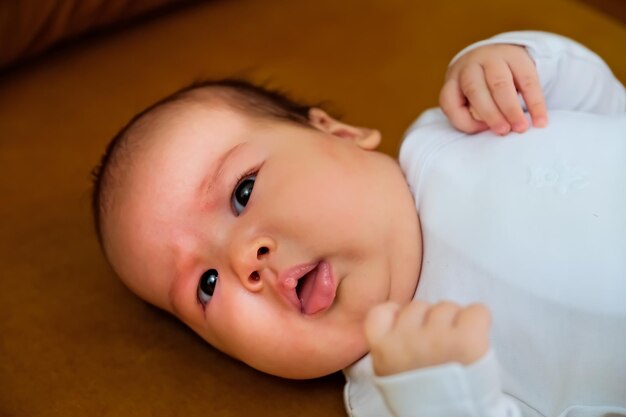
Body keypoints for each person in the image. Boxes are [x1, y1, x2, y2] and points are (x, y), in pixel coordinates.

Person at [91, 30, 626, 417]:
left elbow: (603, 102)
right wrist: (446, 397)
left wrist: (516, 61)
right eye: (205, 287)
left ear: (338, 133)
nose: (242, 262)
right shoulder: (394, 389)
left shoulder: (457, 127)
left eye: (243, 191)